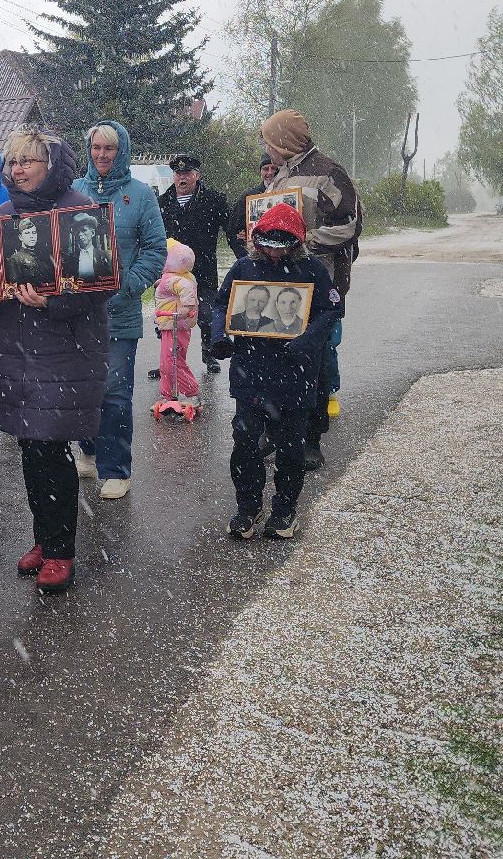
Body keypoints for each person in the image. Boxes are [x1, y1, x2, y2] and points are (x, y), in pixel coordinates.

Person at [0, 127, 108, 594]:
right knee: (30, 450)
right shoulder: (5, 214)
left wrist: (50, 303)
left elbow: (99, 285)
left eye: (28, 161)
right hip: (17, 350)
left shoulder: (79, 210)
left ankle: (61, 550)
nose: (18, 170)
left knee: (51, 450)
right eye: (13, 162)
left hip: (65, 351)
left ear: (51, 165)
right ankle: (43, 537)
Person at [207, 203, 341, 541]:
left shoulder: (311, 269)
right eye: (266, 244)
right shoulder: (244, 267)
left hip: (295, 374)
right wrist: (220, 337)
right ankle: (248, 508)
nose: (273, 252)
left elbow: (330, 311)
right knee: (245, 444)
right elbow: (222, 303)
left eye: (282, 245)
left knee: (290, 448)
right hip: (250, 372)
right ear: (256, 240)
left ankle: (284, 510)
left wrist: (306, 341)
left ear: (297, 243)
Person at [258, 109, 362, 469]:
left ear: (284, 141)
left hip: (318, 284)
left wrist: (306, 241)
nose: (266, 149)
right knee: (274, 361)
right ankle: (274, 429)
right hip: (278, 286)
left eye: (269, 141)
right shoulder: (278, 177)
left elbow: (351, 224)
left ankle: (311, 440)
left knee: (312, 365)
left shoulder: (328, 172)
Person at [72, 121, 167, 501]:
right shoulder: (75, 190)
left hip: (119, 312)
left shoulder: (140, 195)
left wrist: (128, 287)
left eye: (108, 149)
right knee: (80, 386)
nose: (101, 155)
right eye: (95, 148)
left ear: (121, 151)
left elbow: (155, 248)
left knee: (113, 391)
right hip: (77, 312)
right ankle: (90, 449)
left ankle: (116, 467)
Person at [157, 152, 229, 375]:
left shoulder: (214, 200)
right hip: (170, 274)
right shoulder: (161, 203)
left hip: (203, 270)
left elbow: (232, 230)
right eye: (178, 173)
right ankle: (167, 361)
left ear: (197, 175)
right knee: (168, 317)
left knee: (206, 315)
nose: (182, 177)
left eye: (187, 172)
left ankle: (208, 354)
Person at [152, 238, 200, 411]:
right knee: (166, 361)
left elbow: (185, 288)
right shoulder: (177, 276)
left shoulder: (178, 279)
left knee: (173, 361)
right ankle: (167, 394)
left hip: (175, 324)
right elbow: (172, 286)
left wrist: (186, 308)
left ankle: (191, 392)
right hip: (169, 324)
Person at [61, 210, 112, 283]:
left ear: (93, 233)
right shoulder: (71, 260)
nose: (80, 234)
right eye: (77, 231)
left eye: (84, 230)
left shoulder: (104, 257)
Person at [3, 215, 55, 285]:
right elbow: (14, 286)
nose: (31, 236)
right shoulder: (15, 259)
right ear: (20, 237)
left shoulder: (42, 256)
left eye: (34, 233)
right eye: (27, 233)